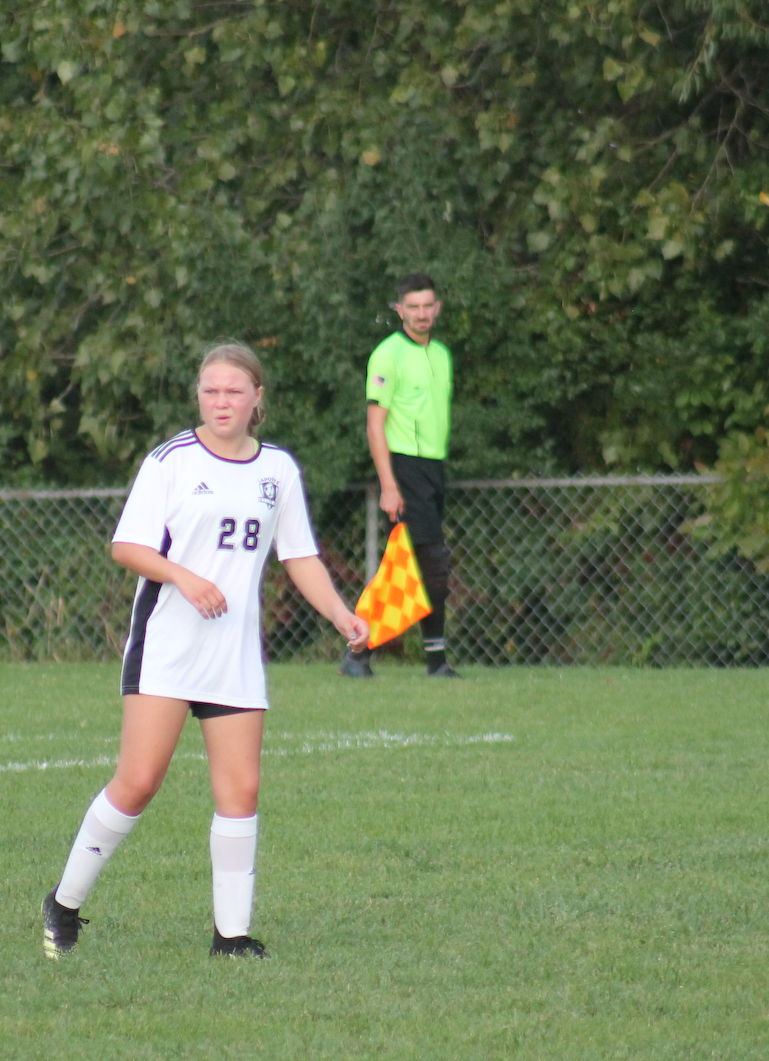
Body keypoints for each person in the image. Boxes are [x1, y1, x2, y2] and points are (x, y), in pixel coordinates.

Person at [42, 342, 368, 960]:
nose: (222, 402)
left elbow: (299, 555)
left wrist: (339, 612)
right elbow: (127, 546)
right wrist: (184, 578)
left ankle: (231, 938)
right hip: (168, 647)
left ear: (257, 398)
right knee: (139, 782)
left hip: (233, 654)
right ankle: (63, 903)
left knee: (241, 791)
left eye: (234, 391)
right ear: (199, 395)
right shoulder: (170, 460)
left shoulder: (278, 470)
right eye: (211, 391)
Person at [339, 272, 459, 679]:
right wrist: (389, 485)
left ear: (437, 308)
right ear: (399, 310)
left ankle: (363, 655)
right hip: (404, 466)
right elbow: (375, 425)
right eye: (413, 307)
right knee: (430, 561)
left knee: (410, 565)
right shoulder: (387, 354)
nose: (421, 314)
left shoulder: (441, 354)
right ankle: (429, 662)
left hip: (433, 467)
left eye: (427, 306)